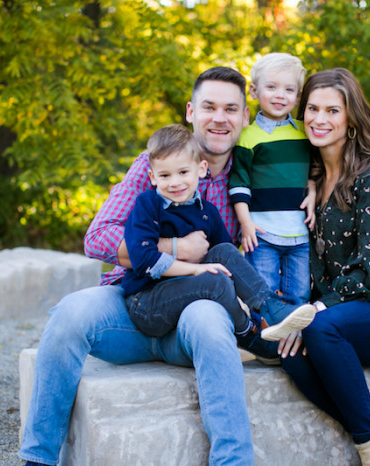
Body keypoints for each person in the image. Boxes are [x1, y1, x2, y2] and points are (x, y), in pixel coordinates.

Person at [19, 67, 265, 466]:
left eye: (230, 109)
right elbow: (98, 237)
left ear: (244, 117)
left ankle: (234, 462)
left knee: (210, 321)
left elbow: (252, 258)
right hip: (131, 305)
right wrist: (175, 248)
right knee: (69, 314)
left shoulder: (248, 177)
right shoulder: (155, 166)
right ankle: (38, 459)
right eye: (209, 107)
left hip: (194, 313)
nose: (219, 118)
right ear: (191, 111)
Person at [279, 68, 370, 466]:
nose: (319, 119)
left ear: (351, 120)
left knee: (319, 327)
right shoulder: (308, 177)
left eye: (332, 110)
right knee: (287, 349)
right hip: (336, 315)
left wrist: (317, 309)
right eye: (312, 108)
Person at [122, 124, 315, 351]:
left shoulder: (207, 211)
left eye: (183, 172)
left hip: (184, 289)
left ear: (201, 169)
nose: (175, 182)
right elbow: (144, 261)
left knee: (224, 251)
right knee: (214, 280)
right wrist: (195, 269)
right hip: (146, 302)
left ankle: (270, 307)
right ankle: (248, 334)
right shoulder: (147, 204)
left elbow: (227, 262)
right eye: (165, 175)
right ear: (153, 177)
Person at [228, 53, 314, 308]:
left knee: (299, 294)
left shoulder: (304, 132)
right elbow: (239, 184)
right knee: (263, 293)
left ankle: (295, 341)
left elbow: (316, 171)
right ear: (254, 91)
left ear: (298, 97)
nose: (280, 95)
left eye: (289, 89)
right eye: (271, 87)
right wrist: (245, 223)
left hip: (300, 234)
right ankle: (266, 343)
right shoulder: (248, 137)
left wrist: (314, 188)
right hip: (261, 233)